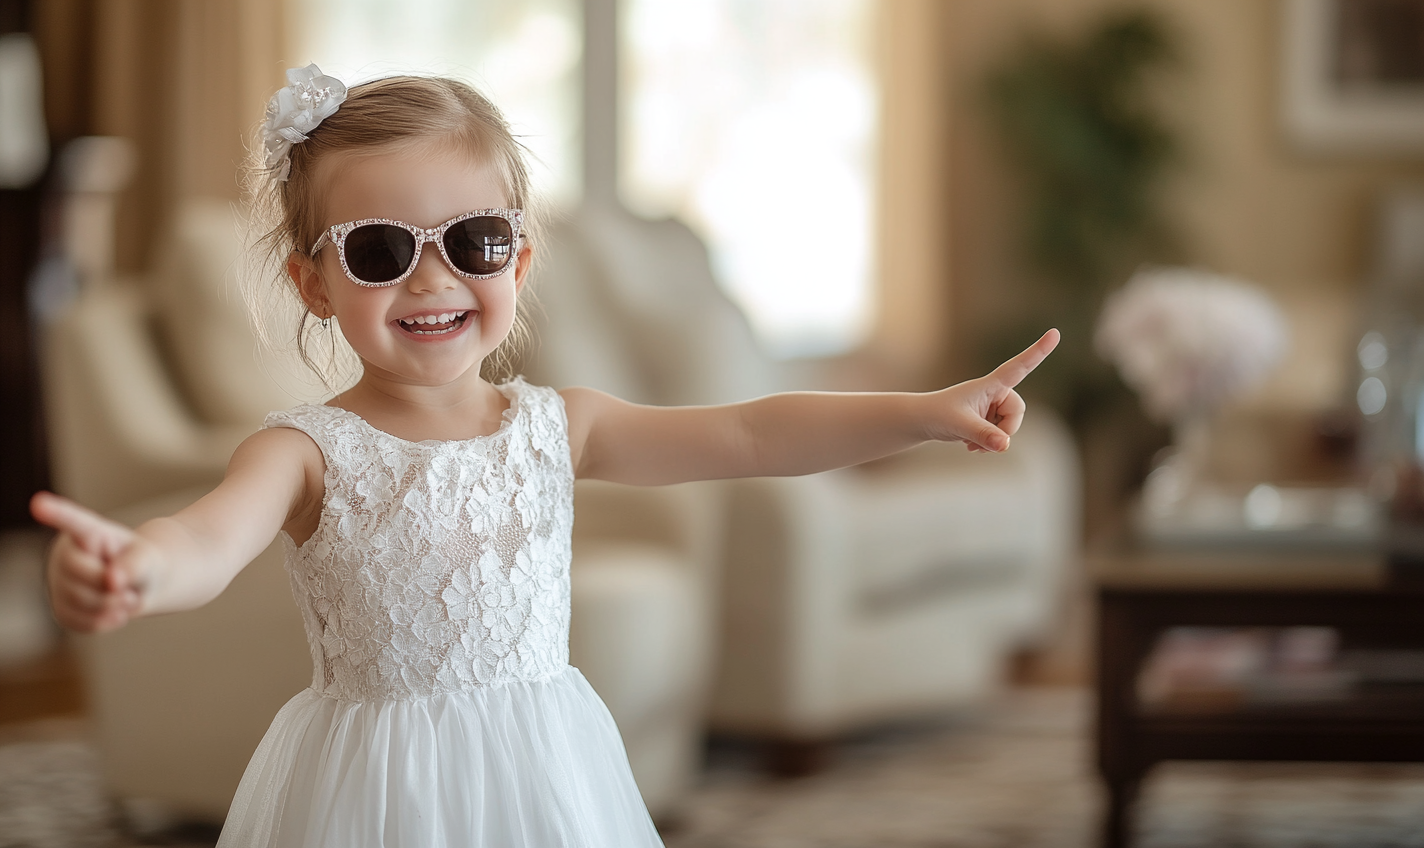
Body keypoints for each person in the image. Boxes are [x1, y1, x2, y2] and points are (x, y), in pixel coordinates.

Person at [30, 65, 1059, 848]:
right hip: (370, 788)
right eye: (381, 251)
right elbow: (205, 539)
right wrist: (135, 564)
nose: (430, 281)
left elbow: (750, 431)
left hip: (548, 767)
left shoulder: (556, 424)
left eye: (470, 240)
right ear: (313, 284)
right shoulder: (306, 450)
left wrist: (924, 411)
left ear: (516, 259)